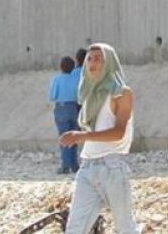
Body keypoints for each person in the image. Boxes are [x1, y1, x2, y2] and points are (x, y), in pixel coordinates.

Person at [59, 43, 139, 234]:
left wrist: (82, 136)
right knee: (75, 229)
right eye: (89, 59)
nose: (93, 63)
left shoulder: (122, 92)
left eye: (98, 58)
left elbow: (118, 132)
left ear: (109, 62)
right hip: (87, 168)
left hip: (112, 168)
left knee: (125, 228)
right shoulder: (89, 94)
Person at [48, 55, 82, 173]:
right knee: (74, 136)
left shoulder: (56, 79)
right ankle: (74, 165)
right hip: (74, 107)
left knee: (64, 136)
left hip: (61, 107)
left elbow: (52, 96)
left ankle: (65, 165)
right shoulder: (76, 79)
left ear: (61, 67)